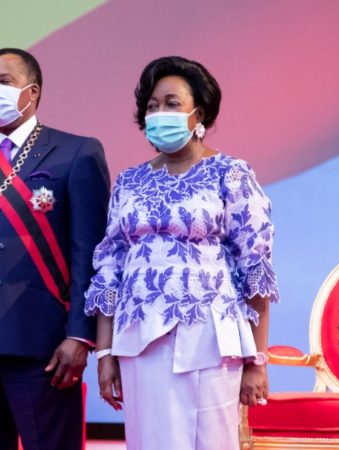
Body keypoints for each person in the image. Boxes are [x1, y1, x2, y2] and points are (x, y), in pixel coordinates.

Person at [85, 56, 279, 449]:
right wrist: (105, 352)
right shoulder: (129, 182)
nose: (159, 114)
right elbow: (110, 267)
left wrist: (258, 360)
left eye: (171, 104)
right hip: (138, 341)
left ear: (199, 112)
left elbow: (255, 268)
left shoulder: (232, 173)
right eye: (152, 107)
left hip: (210, 339)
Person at [0, 48, 110, 450]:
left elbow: (91, 254)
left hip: (41, 343)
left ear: (32, 92)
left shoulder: (76, 153)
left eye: (4, 82)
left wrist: (81, 335)